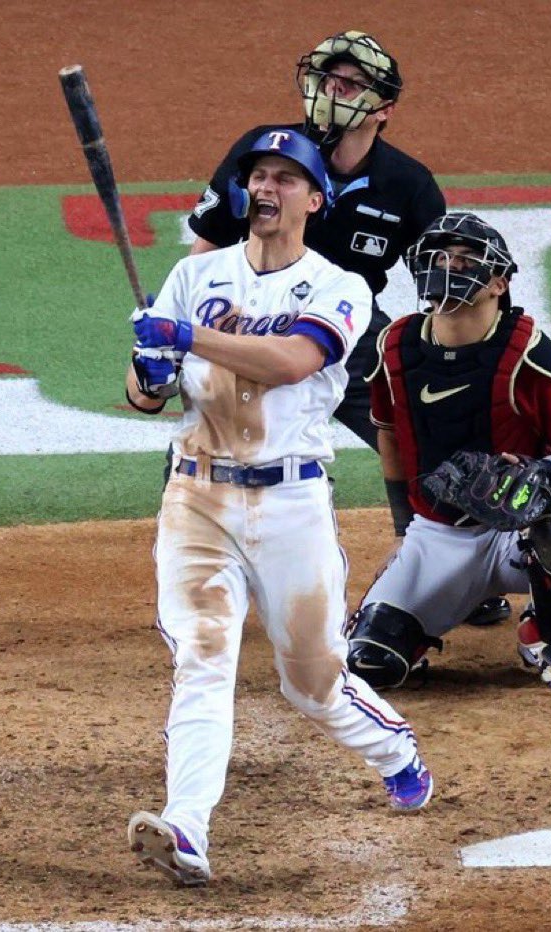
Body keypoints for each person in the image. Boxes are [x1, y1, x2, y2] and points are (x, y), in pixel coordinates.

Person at [124, 129, 432, 889]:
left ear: (314, 199)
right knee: (203, 655)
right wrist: (151, 372)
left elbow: (294, 360)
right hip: (197, 497)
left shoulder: (339, 286)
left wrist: (187, 338)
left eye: (285, 178)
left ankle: (397, 755)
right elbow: (139, 396)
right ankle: (188, 829)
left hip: (291, 503)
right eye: (258, 175)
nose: (267, 187)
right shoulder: (195, 276)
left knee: (314, 682)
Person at [188, 27, 510, 628]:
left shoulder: (407, 185)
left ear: (382, 109)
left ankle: (443, 565)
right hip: (253, 316)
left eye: (349, 84)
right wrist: (185, 326)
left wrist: (446, 359)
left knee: (422, 428)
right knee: (206, 440)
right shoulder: (266, 154)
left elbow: (440, 283)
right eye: (325, 79)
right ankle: (203, 578)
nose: (330, 91)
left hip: (351, 326)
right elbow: (204, 254)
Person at [345, 212, 551, 690]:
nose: (448, 267)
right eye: (440, 257)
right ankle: (433, 612)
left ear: (498, 283)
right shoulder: (396, 346)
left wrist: (544, 473)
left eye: (466, 261)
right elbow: (387, 434)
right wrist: (404, 528)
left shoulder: (528, 351)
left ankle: (548, 636)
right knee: (371, 665)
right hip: (437, 535)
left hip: (517, 533)